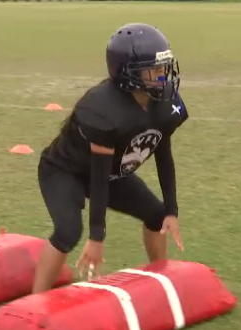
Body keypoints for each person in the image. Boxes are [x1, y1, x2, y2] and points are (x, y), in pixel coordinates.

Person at [33, 22, 189, 294]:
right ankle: (34, 304)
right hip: (65, 170)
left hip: (110, 174)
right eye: (154, 70)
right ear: (128, 73)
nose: (163, 76)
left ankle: (162, 283)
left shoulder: (164, 105)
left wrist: (171, 211)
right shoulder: (103, 108)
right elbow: (98, 175)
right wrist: (97, 237)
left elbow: (163, 154)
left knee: (156, 215)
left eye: (164, 68)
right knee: (68, 232)